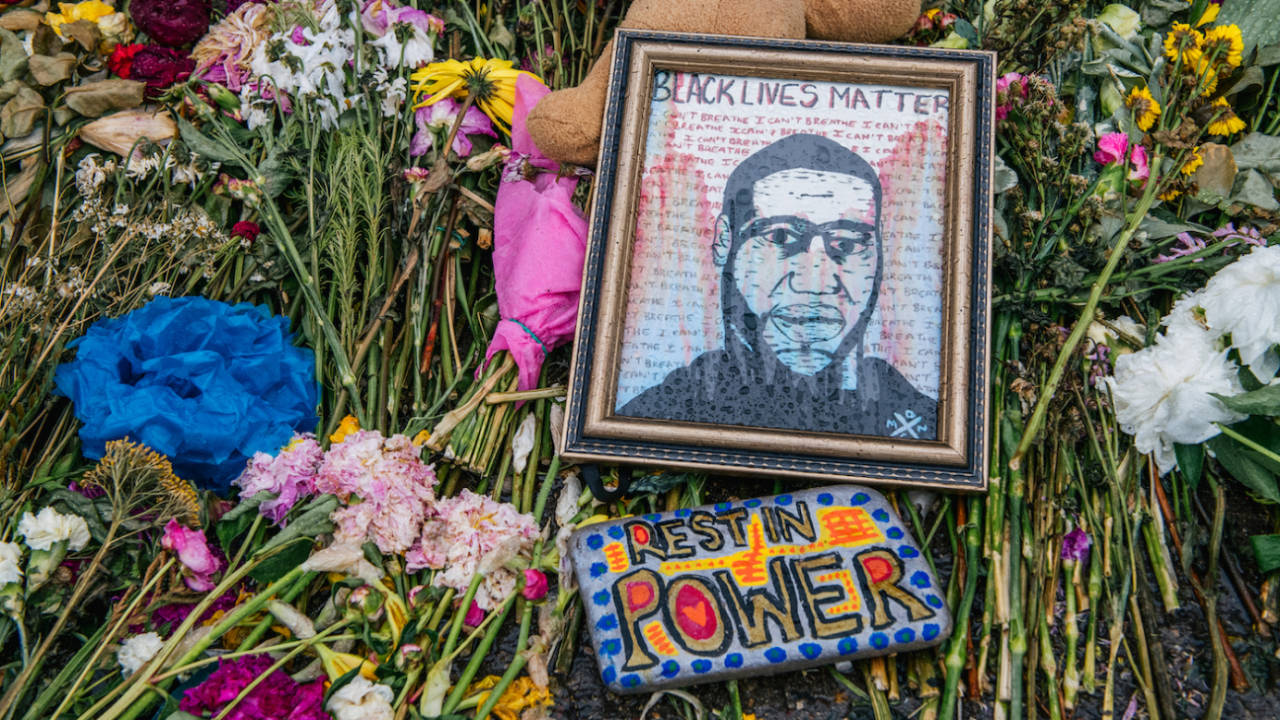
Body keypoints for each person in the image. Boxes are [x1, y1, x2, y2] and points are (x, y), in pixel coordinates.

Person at [618, 133, 937, 440]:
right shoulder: (660, 417)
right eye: (781, 238)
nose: (816, 281)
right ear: (724, 242)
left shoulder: (918, 423)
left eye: (847, 245)